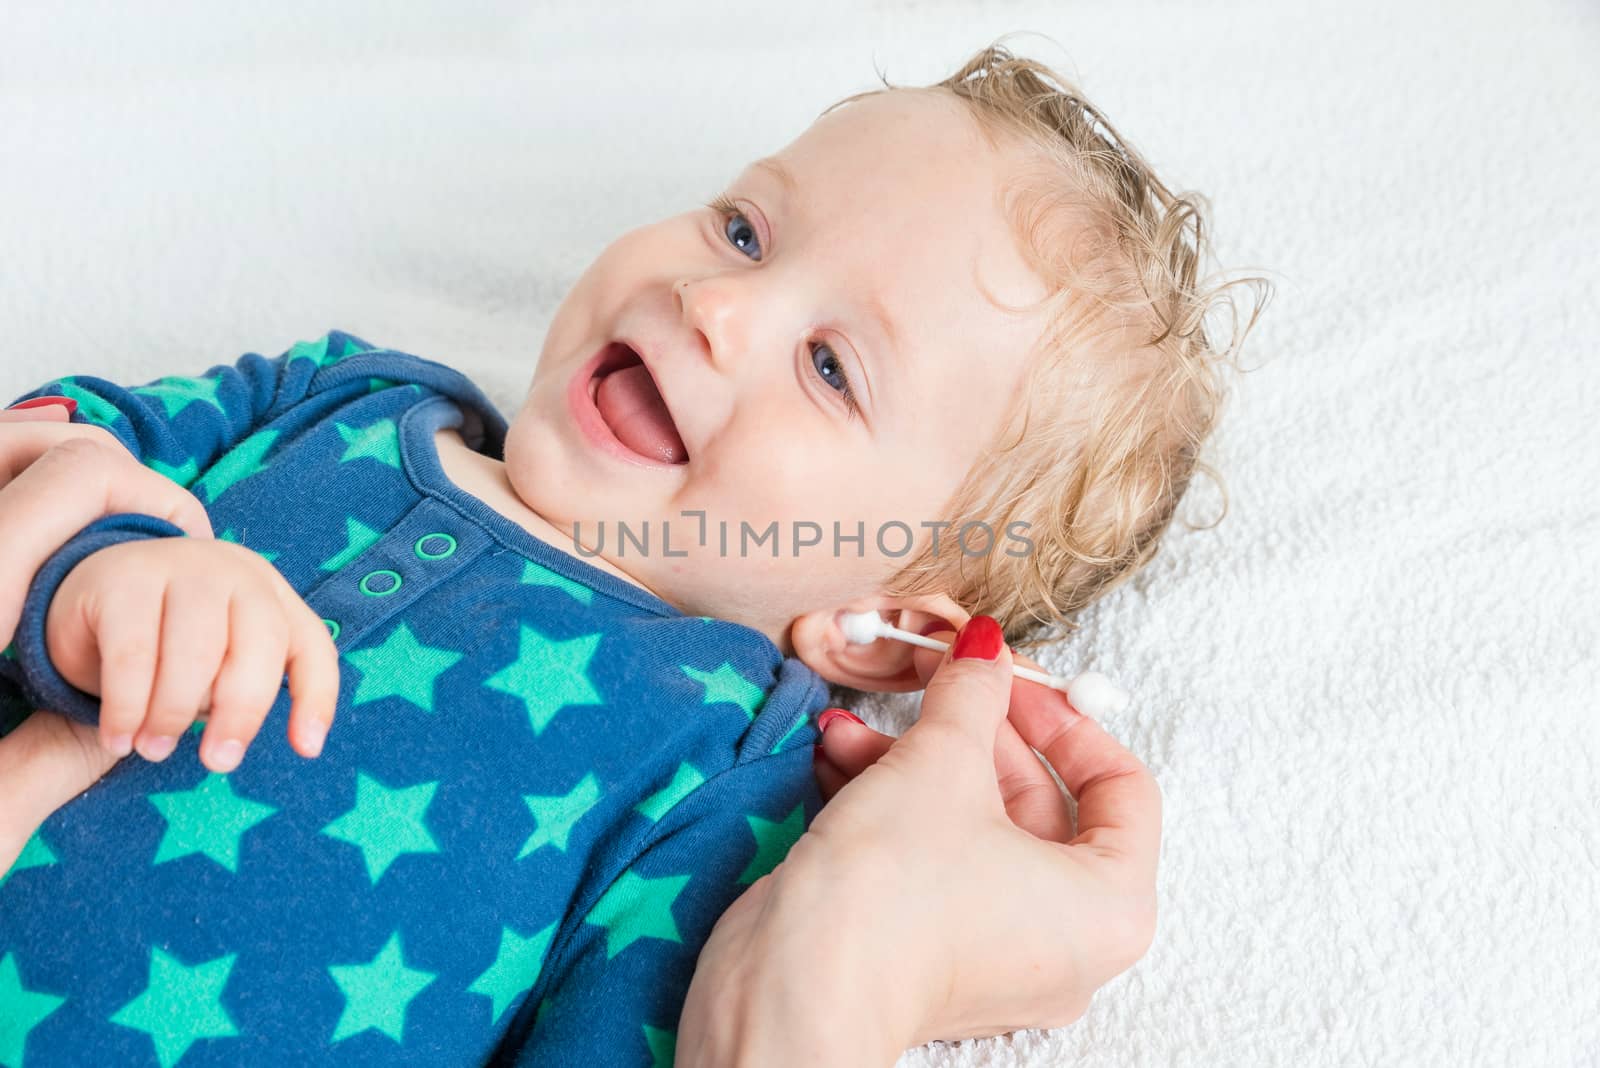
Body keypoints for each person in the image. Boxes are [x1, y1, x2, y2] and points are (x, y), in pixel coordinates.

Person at [0, 39, 1254, 1066]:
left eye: (830, 367)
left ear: (883, 629)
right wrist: (97, 565)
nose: (717, 305)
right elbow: (54, 442)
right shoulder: (344, 393)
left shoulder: (726, 774)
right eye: (745, 231)